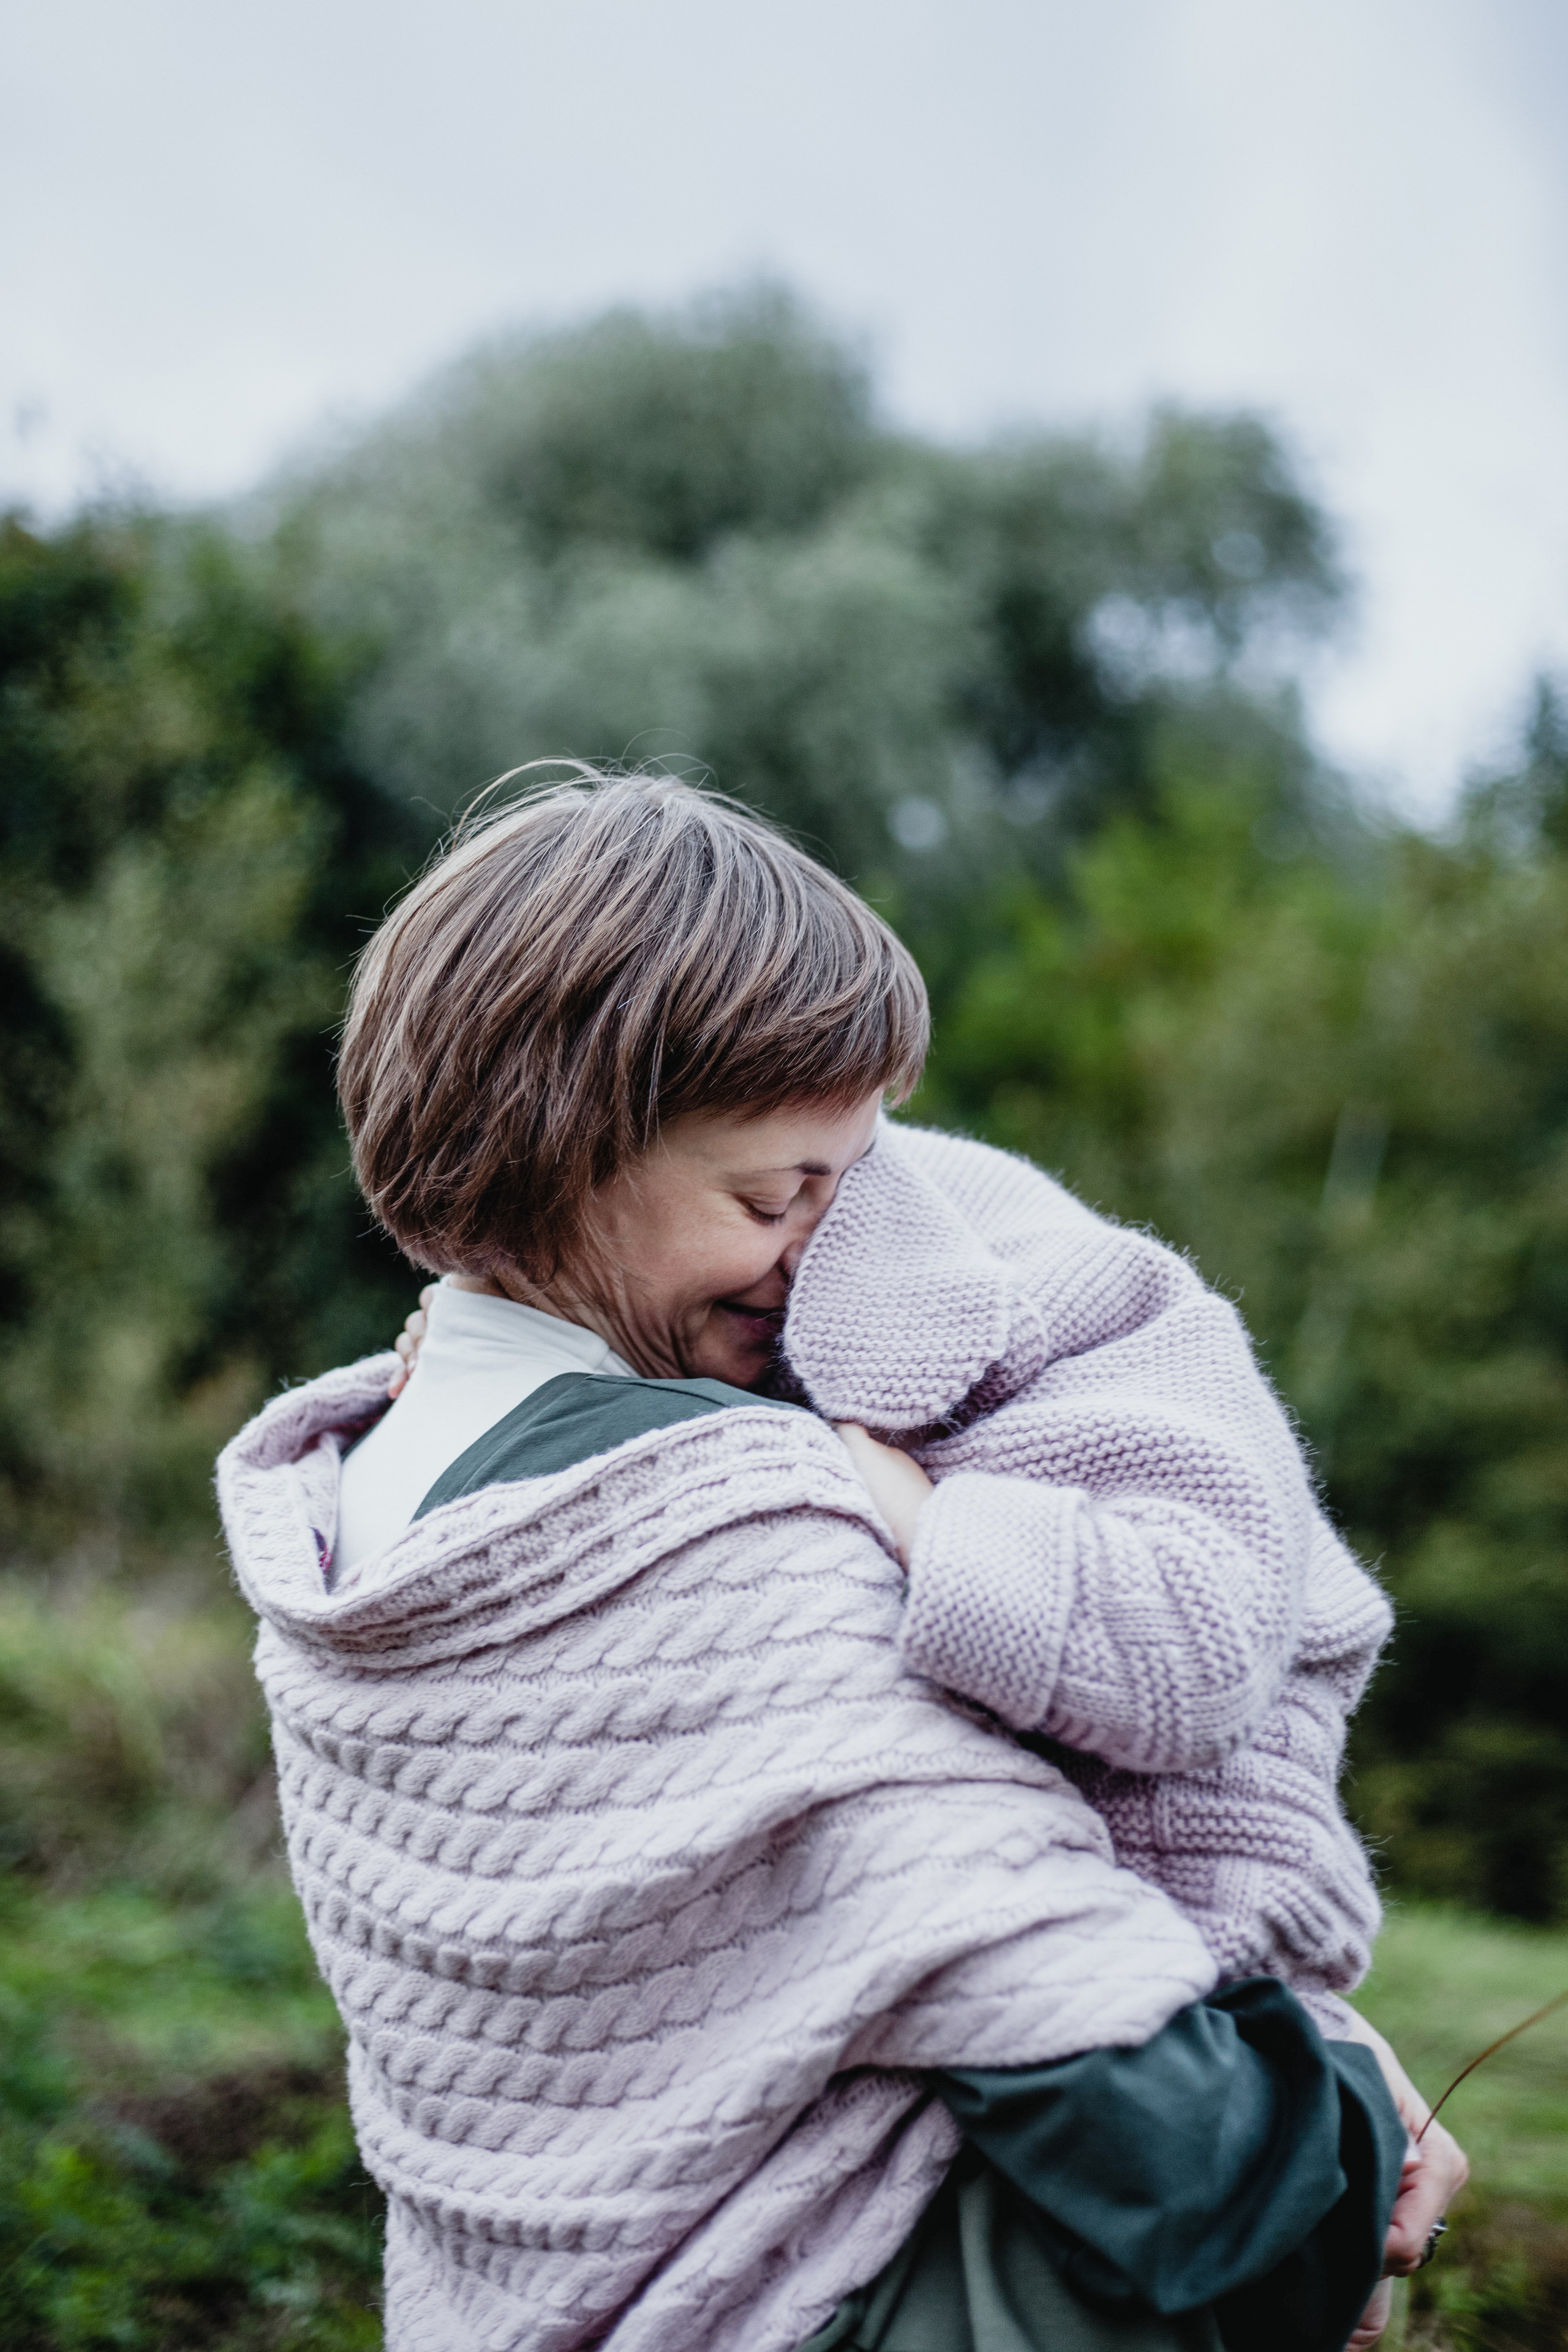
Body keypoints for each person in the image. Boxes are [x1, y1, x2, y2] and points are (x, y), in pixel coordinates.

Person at [221, 772, 1463, 2350]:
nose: (825, 1247)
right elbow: (1189, 2162)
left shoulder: (356, 1495)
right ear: (558, 1148)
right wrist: (1344, 2114)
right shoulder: (727, 1528)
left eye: (849, 1182)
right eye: (772, 1194)